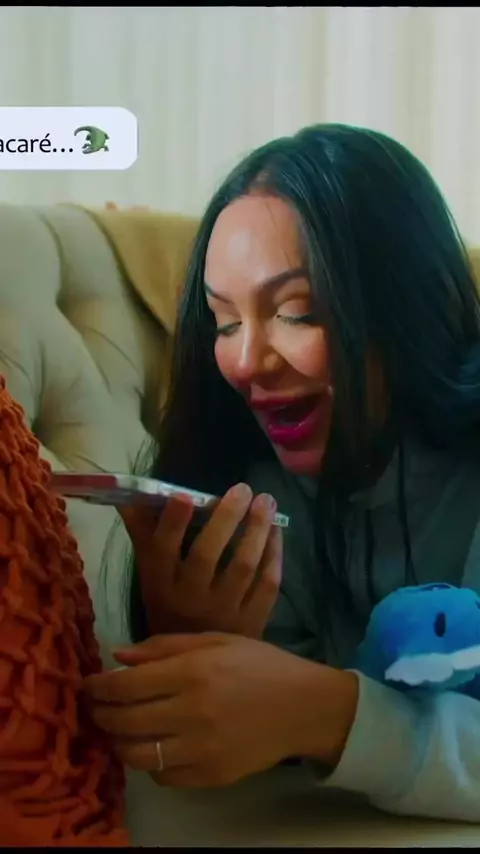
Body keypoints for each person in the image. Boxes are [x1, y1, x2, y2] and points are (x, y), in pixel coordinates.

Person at [85, 123, 480, 823]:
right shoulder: (255, 495)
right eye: (223, 322)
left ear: (410, 304)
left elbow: (312, 722)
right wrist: (196, 649)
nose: (245, 362)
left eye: (296, 312)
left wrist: (328, 713)